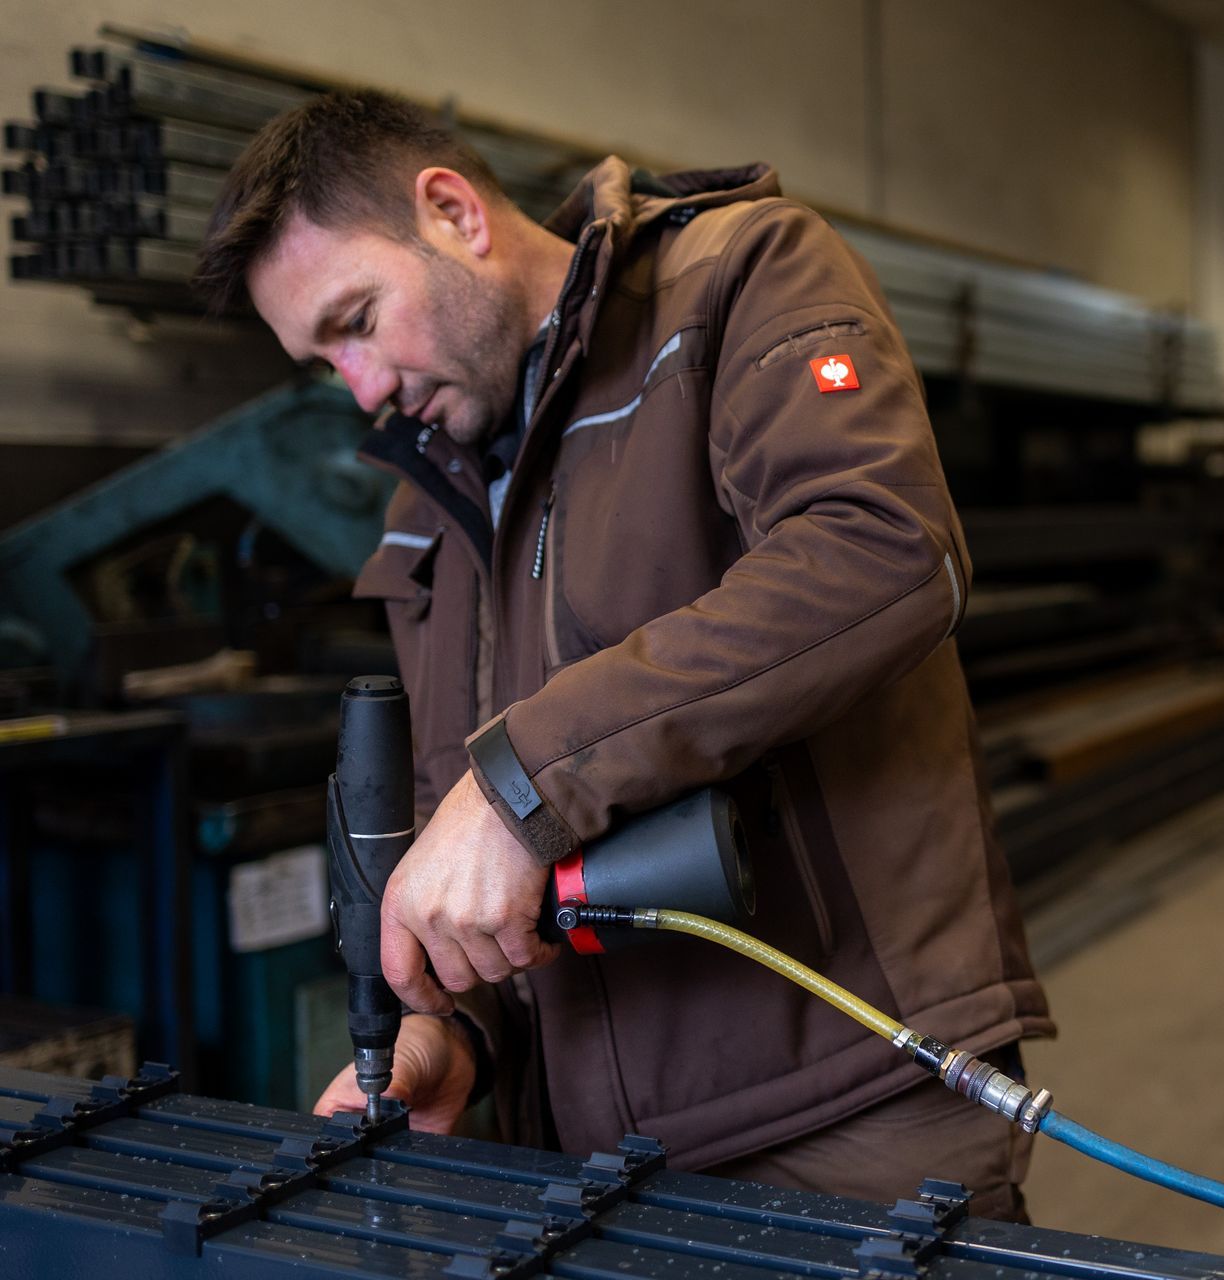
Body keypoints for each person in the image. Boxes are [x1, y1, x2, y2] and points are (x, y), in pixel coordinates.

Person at [194, 90, 1053, 1217]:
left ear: (452, 212)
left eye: (357, 318)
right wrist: (454, 1031)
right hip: (586, 1156)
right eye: (324, 361)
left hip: (840, 1109)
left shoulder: (739, 277)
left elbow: (884, 549)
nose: (365, 391)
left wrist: (524, 780)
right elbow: (459, 821)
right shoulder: (426, 495)